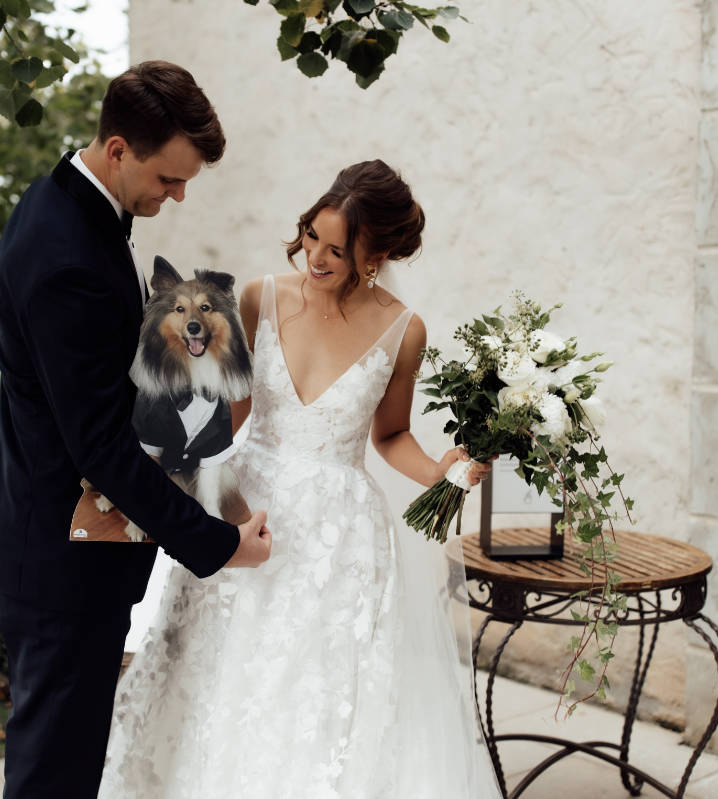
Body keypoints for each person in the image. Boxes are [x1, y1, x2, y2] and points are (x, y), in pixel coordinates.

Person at [99, 160, 502, 796]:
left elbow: (390, 435)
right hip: (245, 506)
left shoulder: (404, 330)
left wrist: (443, 472)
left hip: (337, 542)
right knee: (213, 680)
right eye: (312, 236)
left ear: (375, 255)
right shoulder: (259, 298)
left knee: (312, 699)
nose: (315, 257)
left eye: (337, 250)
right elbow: (225, 418)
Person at [0, 61, 273, 799]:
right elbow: (98, 444)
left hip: (59, 539)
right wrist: (217, 541)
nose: (177, 196)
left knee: (62, 758)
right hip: (61, 557)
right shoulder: (66, 252)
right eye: (169, 180)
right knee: (52, 771)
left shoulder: (65, 203)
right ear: (118, 151)